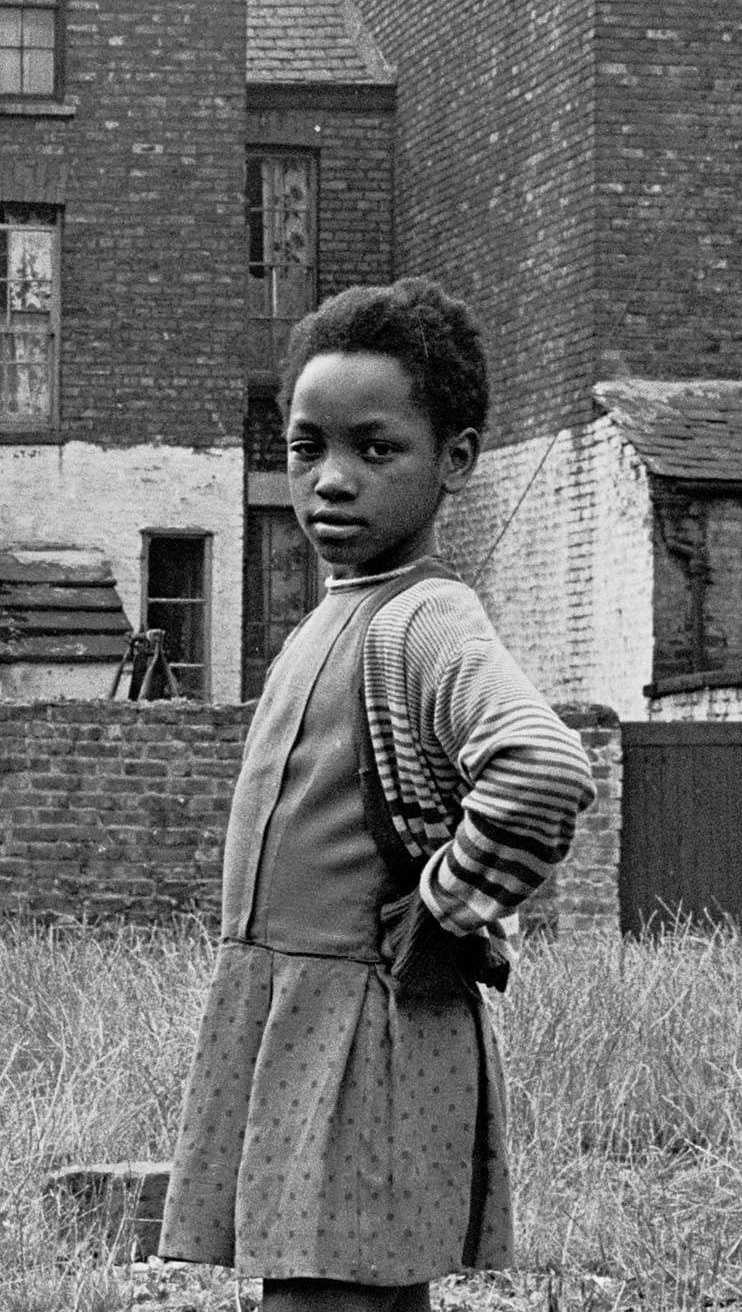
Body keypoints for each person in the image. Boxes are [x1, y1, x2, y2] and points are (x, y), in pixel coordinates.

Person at [157, 279, 598, 1310]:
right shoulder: (332, 615)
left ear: (458, 457)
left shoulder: (425, 619)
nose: (333, 480)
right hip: (309, 1016)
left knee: (324, 1294)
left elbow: (541, 766)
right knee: (367, 1291)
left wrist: (449, 908)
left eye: (376, 447)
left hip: (365, 1023)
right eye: (308, 448)